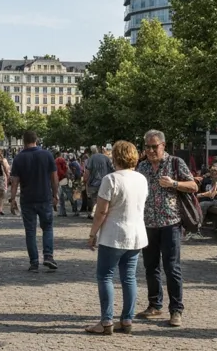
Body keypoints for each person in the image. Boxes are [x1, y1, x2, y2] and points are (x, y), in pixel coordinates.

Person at [134, 129, 197, 328]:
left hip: (171, 222)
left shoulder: (175, 163)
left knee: (172, 267)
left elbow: (194, 186)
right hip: (148, 223)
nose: (151, 150)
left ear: (163, 146)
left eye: (155, 147)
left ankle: (176, 309)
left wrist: (175, 183)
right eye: (147, 147)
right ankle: (154, 304)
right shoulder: (141, 166)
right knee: (150, 267)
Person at [85, 141, 148, 335]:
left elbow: (101, 211)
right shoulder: (141, 179)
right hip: (136, 234)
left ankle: (106, 321)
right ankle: (127, 319)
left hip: (113, 235)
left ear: (115, 157)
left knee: (105, 276)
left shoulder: (111, 179)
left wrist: (92, 233)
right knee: (129, 278)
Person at [9, 131, 59, 272]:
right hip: (44, 197)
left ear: (23, 141)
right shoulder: (47, 155)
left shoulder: (19, 158)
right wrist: (55, 195)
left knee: (30, 231)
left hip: (28, 199)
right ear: (36, 140)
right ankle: (48, 256)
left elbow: (14, 182)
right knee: (47, 228)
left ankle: (34, 262)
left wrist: (13, 200)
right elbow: (54, 178)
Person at [84, 146, 115, 219]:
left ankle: (94, 213)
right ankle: (103, 213)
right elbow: (112, 168)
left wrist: (85, 180)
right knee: (104, 198)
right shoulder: (106, 158)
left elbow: (87, 171)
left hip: (93, 182)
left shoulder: (91, 158)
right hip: (105, 182)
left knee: (94, 199)